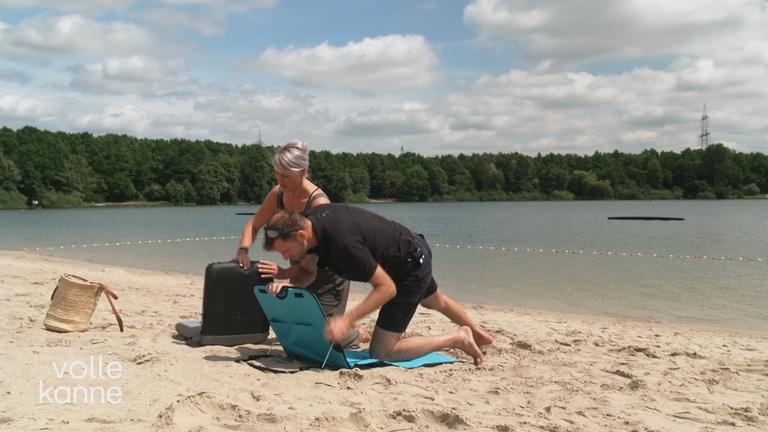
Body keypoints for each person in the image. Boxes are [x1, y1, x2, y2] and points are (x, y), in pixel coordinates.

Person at [261, 204, 494, 366]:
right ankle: (478, 334)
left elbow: (387, 288)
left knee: (382, 351)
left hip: (407, 266)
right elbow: (307, 271)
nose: (284, 257)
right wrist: (286, 279)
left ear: (301, 236)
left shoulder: (343, 245)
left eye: (286, 251)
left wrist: (347, 320)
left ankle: (457, 338)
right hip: (409, 248)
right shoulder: (310, 224)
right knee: (435, 300)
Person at [235, 140, 350, 319]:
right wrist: (243, 251)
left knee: (327, 334)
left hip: (328, 274)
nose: (280, 180)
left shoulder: (319, 204)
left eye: (286, 175)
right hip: (300, 269)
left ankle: (356, 332)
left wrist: (282, 274)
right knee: (299, 326)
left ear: (303, 172)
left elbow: (311, 263)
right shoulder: (278, 193)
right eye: (277, 174)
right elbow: (254, 224)